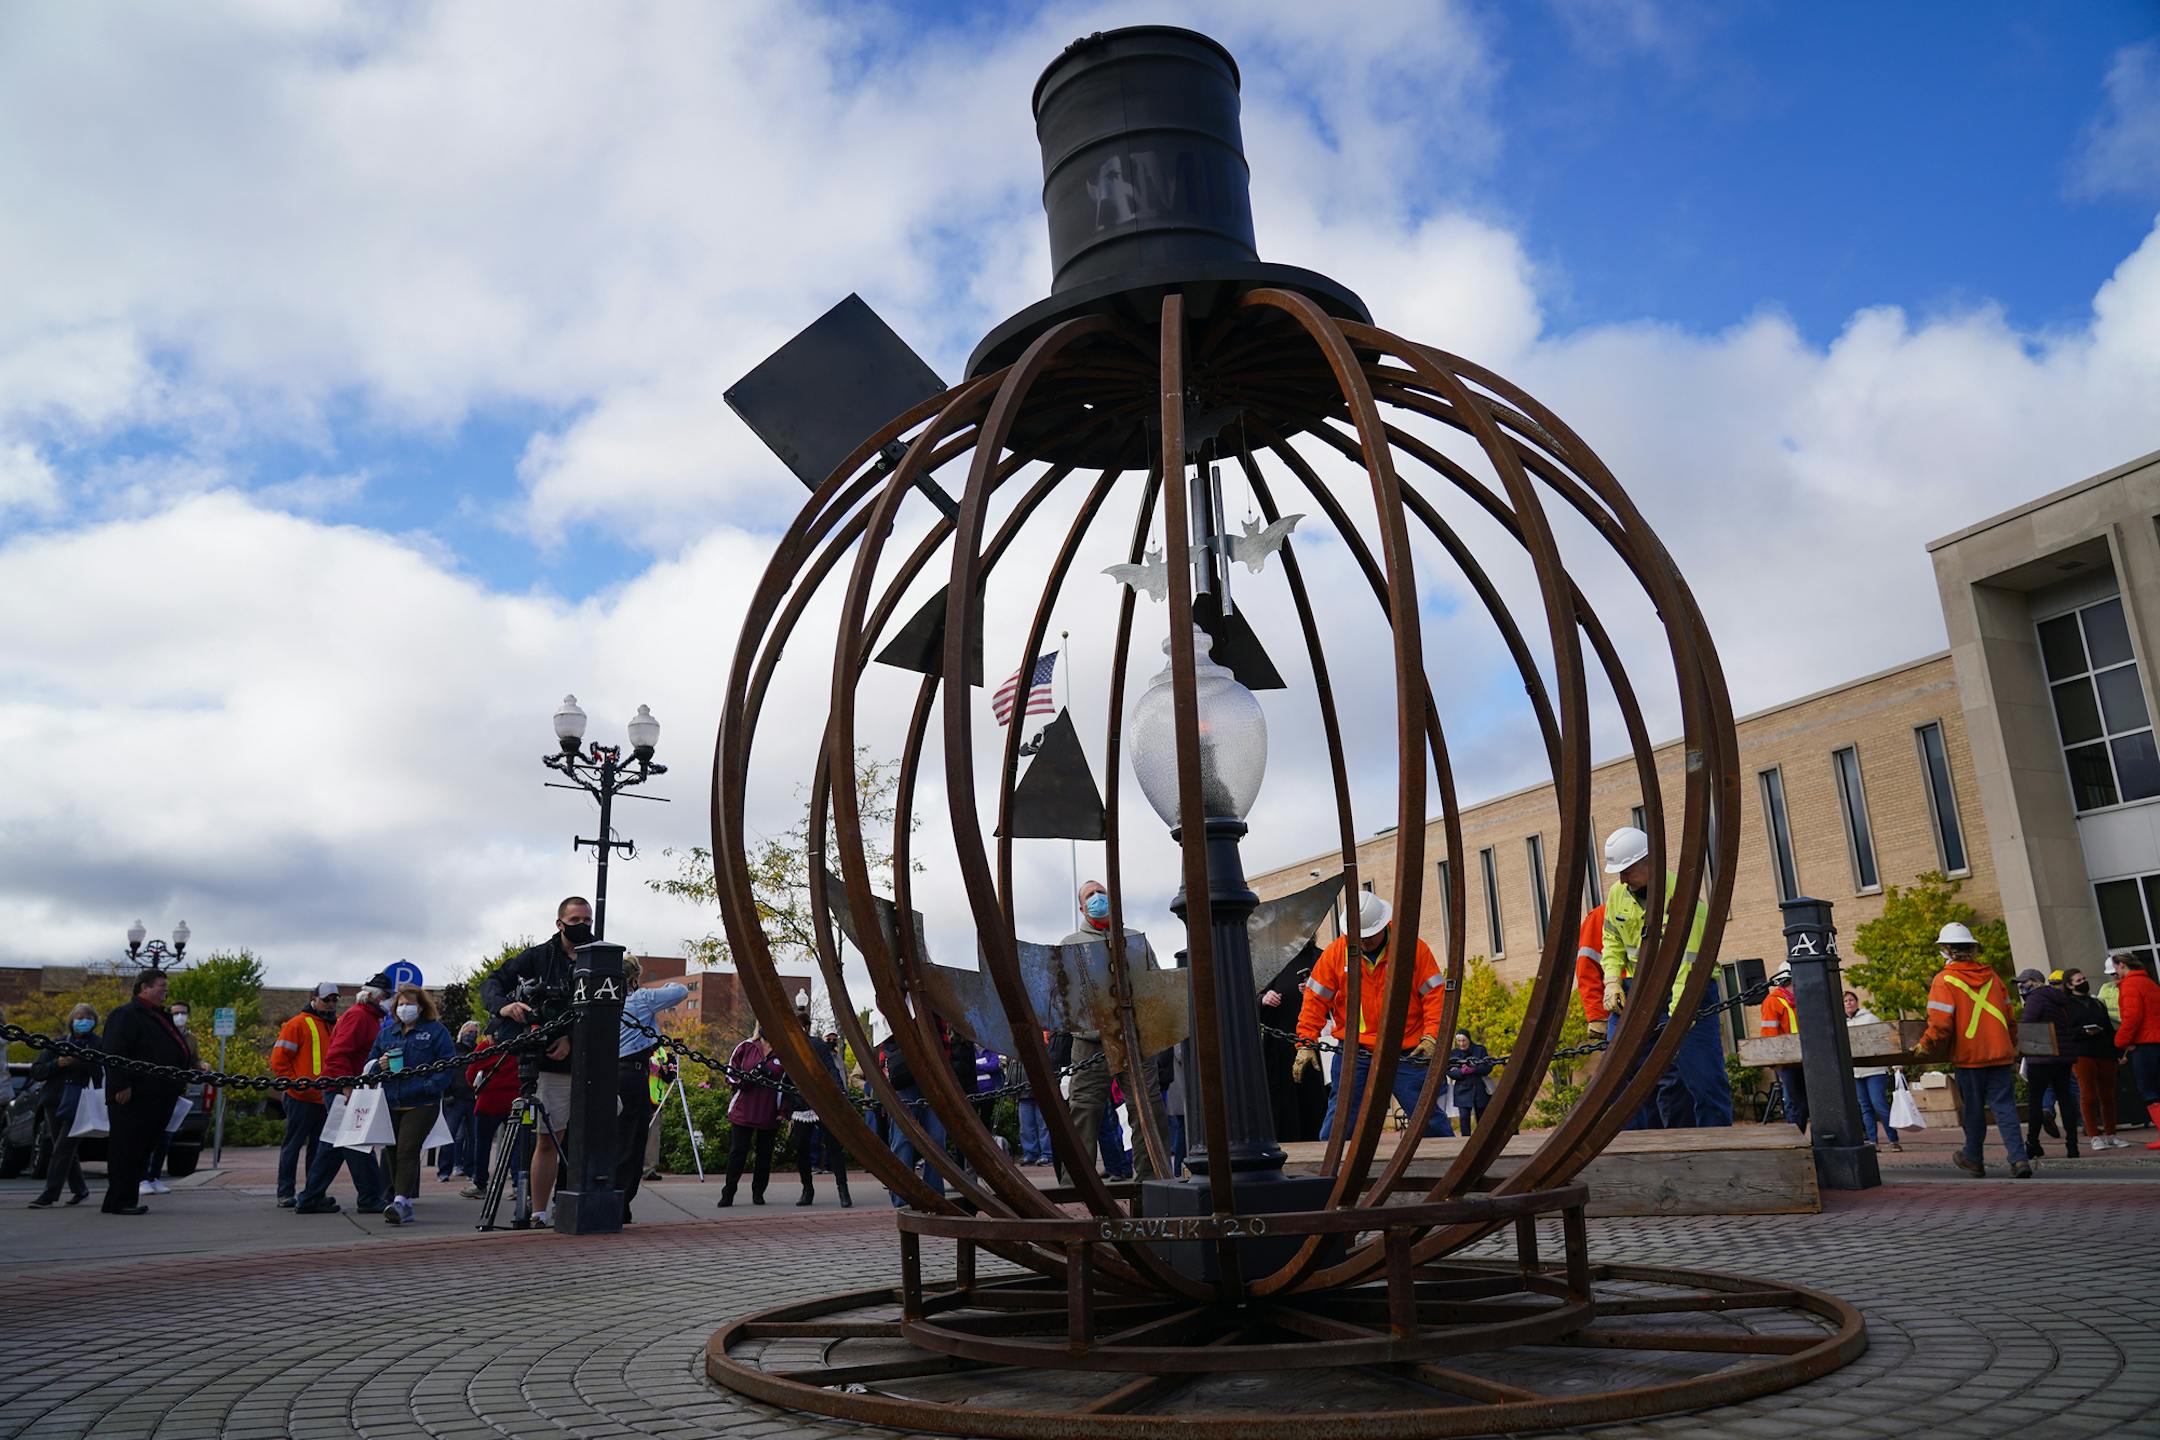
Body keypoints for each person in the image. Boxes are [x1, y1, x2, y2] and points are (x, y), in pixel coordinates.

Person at [1599, 826, 1732, 1129]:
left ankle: (1716, 1149)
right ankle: (1638, 1149)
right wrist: (1612, 981)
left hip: (1690, 991)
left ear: (1649, 863)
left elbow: (1689, 963)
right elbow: (1612, 939)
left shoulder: (1682, 895)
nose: (1621, 879)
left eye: (1627, 870)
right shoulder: (1618, 894)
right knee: (1619, 1074)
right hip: (1639, 990)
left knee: (1701, 1079)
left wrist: (1677, 1019)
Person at [1293, 890, 1452, 1139]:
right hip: (1355, 1052)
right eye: (1359, 937)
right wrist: (1305, 1041)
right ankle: (1330, 1173)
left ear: (1382, 926)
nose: (1364, 942)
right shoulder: (1335, 954)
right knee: (1339, 1124)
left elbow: (1435, 997)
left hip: (1407, 1050)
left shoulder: (1412, 949)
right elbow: (1315, 1001)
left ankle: (1449, 1165)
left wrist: (1432, 1036)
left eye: (1369, 936)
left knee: (1428, 1120)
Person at [480, 896, 591, 1228]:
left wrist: (570, 1035)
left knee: (593, 1132)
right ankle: (539, 1211)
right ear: (559, 923)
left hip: (590, 1061)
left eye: (587, 919)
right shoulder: (539, 956)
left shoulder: (599, 956)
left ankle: (577, 1200)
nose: (582, 925)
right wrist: (504, 1007)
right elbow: (493, 981)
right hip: (550, 1065)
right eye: (575, 919)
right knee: (548, 1136)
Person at [1059, 880, 1173, 1180]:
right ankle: (1075, 1184)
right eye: (1089, 895)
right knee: (1083, 1110)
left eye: (1101, 892)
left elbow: (1155, 984)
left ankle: (1152, 1180)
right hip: (1089, 1043)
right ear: (1081, 907)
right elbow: (1064, 996)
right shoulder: (1070, 944)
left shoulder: (1134, 939)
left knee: (1147, 1110)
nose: (1097, 898)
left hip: (1133, 1040)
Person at [1915, 923, 2030, 1177]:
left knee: (1974, 1111)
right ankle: (2019, 1159)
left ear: (1946, 950)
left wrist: (1925, 1044)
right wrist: (2010, 1044)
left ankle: (1974, 1158)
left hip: (1969, 1057)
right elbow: (2009, 1017)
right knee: (2005, 1108)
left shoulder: (1944, 980)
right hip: (1999, 1053)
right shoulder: (1993, 977)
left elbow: (1941, 1023)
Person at [293, 972, 394, 1215]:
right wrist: (346, 1085)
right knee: (356, 1144)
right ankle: (369, 1196)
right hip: (345, 1088)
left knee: (334, 1145)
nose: (389, 1001)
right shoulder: (360, 1017)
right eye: (387, 996)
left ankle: (312, 1196)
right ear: (372, 996)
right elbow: (338, 1054)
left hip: (344, 1087)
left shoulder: (365, 1016)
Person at [99, 969, 193, 1215]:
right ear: (144, 987)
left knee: (142, 1148)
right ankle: (118, 1200)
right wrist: (121, 1085)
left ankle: (128, 1197)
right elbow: (115, 1051)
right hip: (136, 1094)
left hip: (160, 1094)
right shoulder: (126, 1015)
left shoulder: (158, 1016)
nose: (165, 991)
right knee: (126, 1147)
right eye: (161, 986)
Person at [366, 984, 456, 1224]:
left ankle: (401, 1201)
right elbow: (370, 1064)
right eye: (401, 1004)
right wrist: (378, 1066)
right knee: (392, 1152)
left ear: (421, 1007)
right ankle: (401, 1199)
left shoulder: (436, 1031)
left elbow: (448, 1064)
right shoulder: (387, 1033)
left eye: (410, 1004)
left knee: (408, 1149)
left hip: (421, 1103)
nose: (405, 1008)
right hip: (392, 1100)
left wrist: (430, 1087)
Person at [615, 956, 689, 1223]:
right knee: (631, 1141)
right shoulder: (641, 998)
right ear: (635, 977)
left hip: (607, 1072)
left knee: (609, 1138)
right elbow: (680, 991)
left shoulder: (606, 1001)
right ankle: (620, 1201)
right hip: (631, 1074)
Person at [270, 983, 341, 1207]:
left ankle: (313, 1192)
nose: (330, 1004)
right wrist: (294, 1084)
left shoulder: (335, 1025)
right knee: (293, 1145)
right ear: (314, 998)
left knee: (318, 1150)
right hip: (300, 1097)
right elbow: (279, 1059)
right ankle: (285, 1192)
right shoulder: (297, 1024)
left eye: (334, 1000)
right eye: (326, 999)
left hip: (325, 1097)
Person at [28, 1004, 102, 1207]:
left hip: (81, 1103)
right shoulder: (57, 1043)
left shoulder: (99, 1045)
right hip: (54, 1101)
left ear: (95, 1021)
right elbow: (37, 1071)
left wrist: (80, 1062)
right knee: (64, 1148)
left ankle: (49, 1195)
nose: (83, 1020)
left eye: (88, 1017)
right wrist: (57, 1064)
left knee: (62, 1148)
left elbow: (101, 1072)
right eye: (79, 1017)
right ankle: (80, 1189)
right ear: (71, 1020)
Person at [783, 999, 852, 1208]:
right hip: (801, 1105)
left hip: (822, 1102)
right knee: (802, 1149)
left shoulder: (818, 1045)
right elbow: (787, 1078)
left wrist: (838, 1092)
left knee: (833, 1148)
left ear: (805, 1027)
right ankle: (807, 1189)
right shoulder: (789, 1047)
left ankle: (843, 1190)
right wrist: (787, 1110)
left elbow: (831, 1069)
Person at [142, 999, 206, 1194]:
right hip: (156, 1089)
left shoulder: (191, 1039)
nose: (180, 1016)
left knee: (166, 1136)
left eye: (183, 1012)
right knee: (149, 1136)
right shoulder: (161, 1035)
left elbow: (194, 1059)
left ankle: (154, 1176)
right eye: (176, 1012)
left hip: (178, 1091)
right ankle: (142, 1178)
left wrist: (202, 1065)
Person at [878, 1027, 948, 1204]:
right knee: (902, 1139)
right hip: (904, 1072)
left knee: (936, 1138)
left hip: (931, 1073)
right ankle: (903, 1196)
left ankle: (934, 1195)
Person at [719, 1024, 786, 1206]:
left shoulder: (783, 1052)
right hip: (744, 1110)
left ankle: (758, 1193)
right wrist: (747, 1078)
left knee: (764, 1155)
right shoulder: (746, 1046)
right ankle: (728, 1192)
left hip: (769, 1111)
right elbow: (730, 1073)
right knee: (738, 1152)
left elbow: (788, 1084)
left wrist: (783, 1111)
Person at [2018, 968, 2080, 1159]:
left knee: (2035, 1100)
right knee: (2065, 1098)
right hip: (2063, 1056)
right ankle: (2072, 1145)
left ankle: (2033, 1143)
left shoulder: (2035, 998)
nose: (2021, 986)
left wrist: (2020, 1049)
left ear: (2035, 981)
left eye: (2025, 982)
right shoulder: (2060, 998)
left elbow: (2028, 1023)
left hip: (2042, 1056)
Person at [461, 1027, 523, 1198]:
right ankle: (518, 1184)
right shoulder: (521, 1043)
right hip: (515, 1098)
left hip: (489, 1100)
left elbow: (471, 1074)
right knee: (517, 1144)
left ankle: (480, 1183)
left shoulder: (485, 1047)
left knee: (482, 1143)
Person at [2065, 965, 2122, 1149]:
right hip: (2083, 1053)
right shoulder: (2067, 1006)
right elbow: (2067, 1031)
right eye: (2078, 981)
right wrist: (2083, 1031)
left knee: (2108, 1095)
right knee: (2088, 1095)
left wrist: (2116, 1052)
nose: (2083, 983)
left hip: (2104, 1051)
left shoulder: (2097, 1003)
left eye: (2083, 979)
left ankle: (2111, 1133)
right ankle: (2094, 1135)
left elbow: (2108, 1028)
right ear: (2069, 985)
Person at [2113, 952, 2160, 1148]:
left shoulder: (2130, 986)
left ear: (2122, 965)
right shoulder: (2149, 983)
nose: (2115, 973)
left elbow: (2132, 1017)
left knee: (2149, 1091)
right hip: (2156, 1040)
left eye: (2115, 968)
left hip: (2145, 1044)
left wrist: (2120, 1041)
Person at [1843, 990, 1898, 1151]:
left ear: (1857, 1002)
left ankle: (1893, 1139)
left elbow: (1884, 1038)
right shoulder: (1843, 1023)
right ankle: (1873, 1141)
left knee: (1879, 1105)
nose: (1849, 1003)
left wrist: (1894, 1064)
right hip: (1856, 1071)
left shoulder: (1869, 1018)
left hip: (1874, 1070)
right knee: (1865, 1107)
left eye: (1851, 1000)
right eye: (1845, 1001)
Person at [434, 1021, 480, 1183]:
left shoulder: (477, 1052)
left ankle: (470, 1169)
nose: (471, 1035)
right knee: (450, 1135)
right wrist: (446, 1093)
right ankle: (444, 1170)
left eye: (474, 1032)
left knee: (473, 1137)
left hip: (473, 1098)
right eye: (469, 1032)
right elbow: (446, 1073)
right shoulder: (452, 1050)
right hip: (455, 1099)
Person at [1760, 979, 1807, 1131]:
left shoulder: (1803, 1000)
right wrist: (1774, 1059)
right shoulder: (1773, 1002)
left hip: (1806, 1058)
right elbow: (1769, 1033)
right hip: (1787, 1062)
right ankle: (1796, 1140)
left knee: (1809, 1103)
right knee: (1795, 1103)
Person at [1446, 1031, 1492, 1134]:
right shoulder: (1454, 1053)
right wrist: (1461, 1072)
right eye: (1459, 1041)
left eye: (1464, 1040)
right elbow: (1449, 1072)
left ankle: (1482, 1138)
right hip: (1462, 1091)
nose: (1461, 1043)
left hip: (1479, 1089)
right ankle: (1465, 1140)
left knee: (1482, 1118)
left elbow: (1488, 1067)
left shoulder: (1480, 1050)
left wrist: (1474, 1069)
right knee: (1464, 1118)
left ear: (1469, 1039)